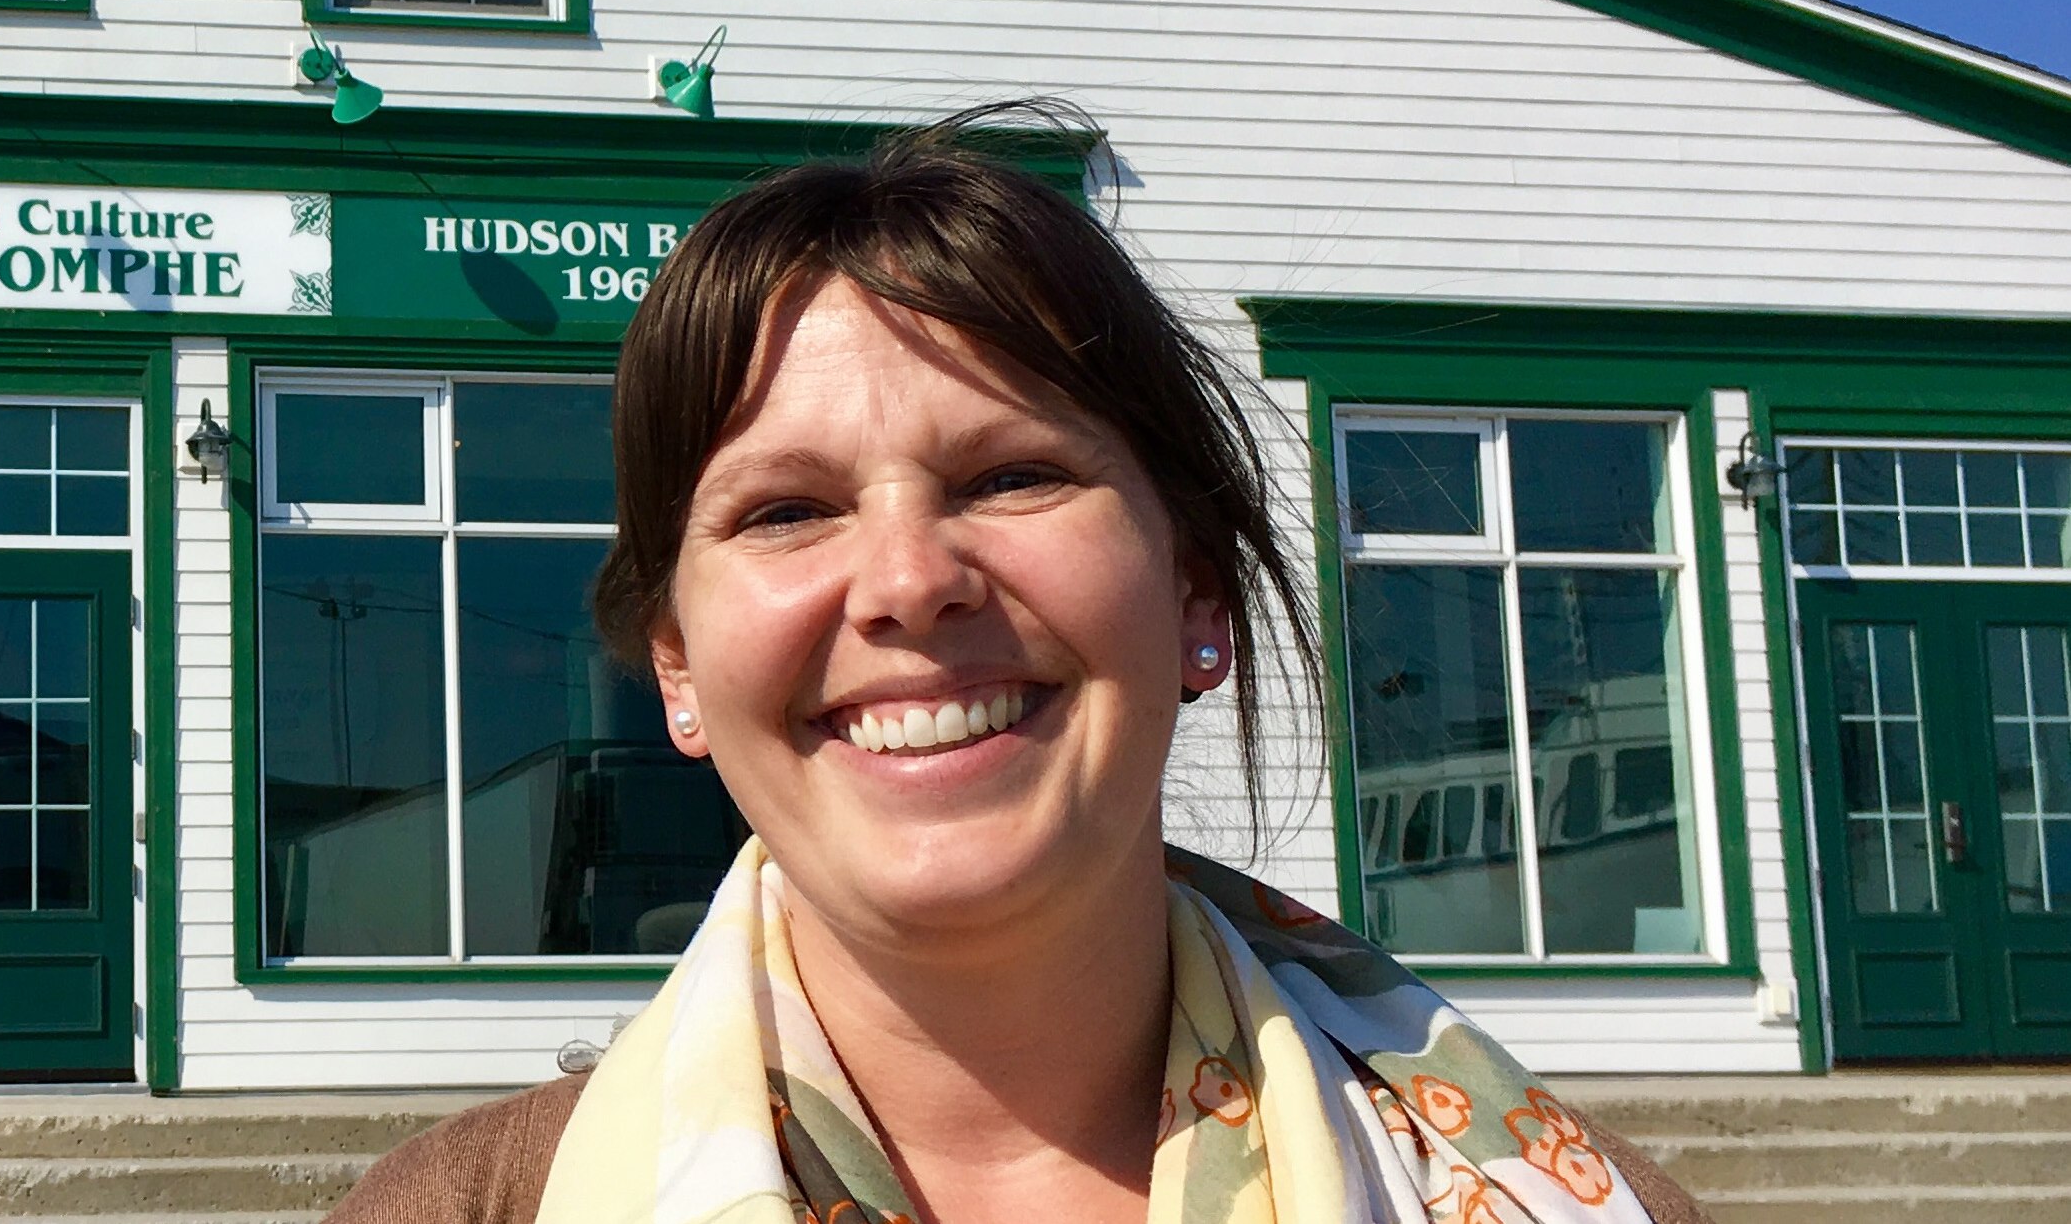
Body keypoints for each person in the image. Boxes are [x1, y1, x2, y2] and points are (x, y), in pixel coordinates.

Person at [329, 112, 1708, 1224]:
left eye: (1013, 474)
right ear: (677, 666)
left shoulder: (1561, 1199)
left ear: (1196, 594)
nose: (909, 578)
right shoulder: (461, 1212)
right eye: (786, 509)